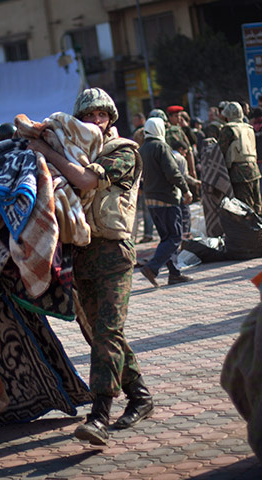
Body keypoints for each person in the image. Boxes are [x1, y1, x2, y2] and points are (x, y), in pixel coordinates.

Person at [28, 87, 153, 445]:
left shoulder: (123, 152)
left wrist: (49, 152)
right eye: (87, 117)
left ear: (110, 119)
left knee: (108, 333)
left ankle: (99, 416)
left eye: (101, 115)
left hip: (114, 254)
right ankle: (141, 395)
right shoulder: (75, 154)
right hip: (82, 256)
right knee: (99, 334)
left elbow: (85, 180)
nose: (95, 121)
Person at [139, 117, 193, 287]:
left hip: (150, 199)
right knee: (175, 237)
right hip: (166, 199)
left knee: (166, 239)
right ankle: (152, 268)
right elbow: (173, 172)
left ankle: (174, 274)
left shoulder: (142, 149)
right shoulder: (161, 147)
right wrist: (186, 189)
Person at [218, 102, 262, 214]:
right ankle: (261, 227)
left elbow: (221, 151)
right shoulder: (249, 127)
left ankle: (250, 230)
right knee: (257, 202)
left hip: (238, 172)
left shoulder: (228, 129)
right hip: (254, 168)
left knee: (244, 206)